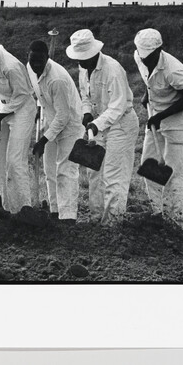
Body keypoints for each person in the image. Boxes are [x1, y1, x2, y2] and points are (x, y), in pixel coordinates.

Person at [67, 29, 139, 226]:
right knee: (95, 173)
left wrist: (95, 124)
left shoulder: (113, 70)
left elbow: (118, 107)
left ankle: (112, 224)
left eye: (84, 58)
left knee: (114, 175)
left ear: (94, 52)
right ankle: (96, 218)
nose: (80, 62)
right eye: (78, 58)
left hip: (121, 124)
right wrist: (87, 112)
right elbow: (86, 96)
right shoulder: (83, 69)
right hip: (98, 124)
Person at [133, 28, 183, 231]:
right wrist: (147, 94)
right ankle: (158, 215)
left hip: (178, 121)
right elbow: (149, 80)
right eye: (142, 56)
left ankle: (178, 223)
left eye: (149, 57)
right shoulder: (140, 57)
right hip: (157, 116)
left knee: (177, 172)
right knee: (149, 165)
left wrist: (161, 116)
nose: (144, 60)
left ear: (159, 50)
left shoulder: (173, 69)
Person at [0, 28, 37, 214]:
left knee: (15, 161)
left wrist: (0, 116)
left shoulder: (10, 65)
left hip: (22, 109)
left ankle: (24, 208)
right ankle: (6, 208)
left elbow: (23, 95)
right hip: (3, 106)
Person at [27, 40, 84, 224]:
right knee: (50, 170)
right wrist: (38, 107)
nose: (35, 65)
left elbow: (64, 116)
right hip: (51, 121)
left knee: (65, 170)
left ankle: (68, 218)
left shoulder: (56, 79)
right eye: (32, 60)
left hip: (70, 125)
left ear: (47, 58)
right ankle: (54, 211)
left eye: (39, 61)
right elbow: (40, 93)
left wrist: (43, 140)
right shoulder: (31, 68)